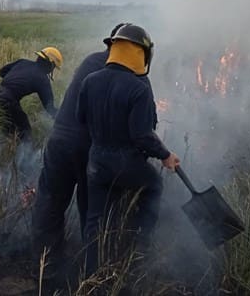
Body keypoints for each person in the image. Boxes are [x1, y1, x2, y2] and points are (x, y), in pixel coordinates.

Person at [31, 23, 147, 278]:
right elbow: (138, 127)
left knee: (50, 201)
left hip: (59, 140)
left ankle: (45, 267)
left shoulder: (92, 61)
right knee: (94, 210)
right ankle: (93, 273)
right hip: (90, 149)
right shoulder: (133, 74)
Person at [76, 23, 180, 277]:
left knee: (95, 219)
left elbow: (81, 119)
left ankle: (92, 273)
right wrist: (165, 155)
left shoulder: (90, 80)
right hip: (125, 162)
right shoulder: (138, 88)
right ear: (139, 52)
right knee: (153, 186)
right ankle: (140, 250)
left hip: (96, 160)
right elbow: (142, 135)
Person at [0, 47, 62, 142]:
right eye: (54, 67)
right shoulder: (42, 79)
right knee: (25, 131)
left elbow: (2, 71)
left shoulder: (23, 62)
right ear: (50, 64)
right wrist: (64, 117)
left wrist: (13, 81)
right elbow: (49, 107)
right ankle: (24, 155)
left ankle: (3, 150)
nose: (52, 70)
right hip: (9, 100)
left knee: (9, 128)